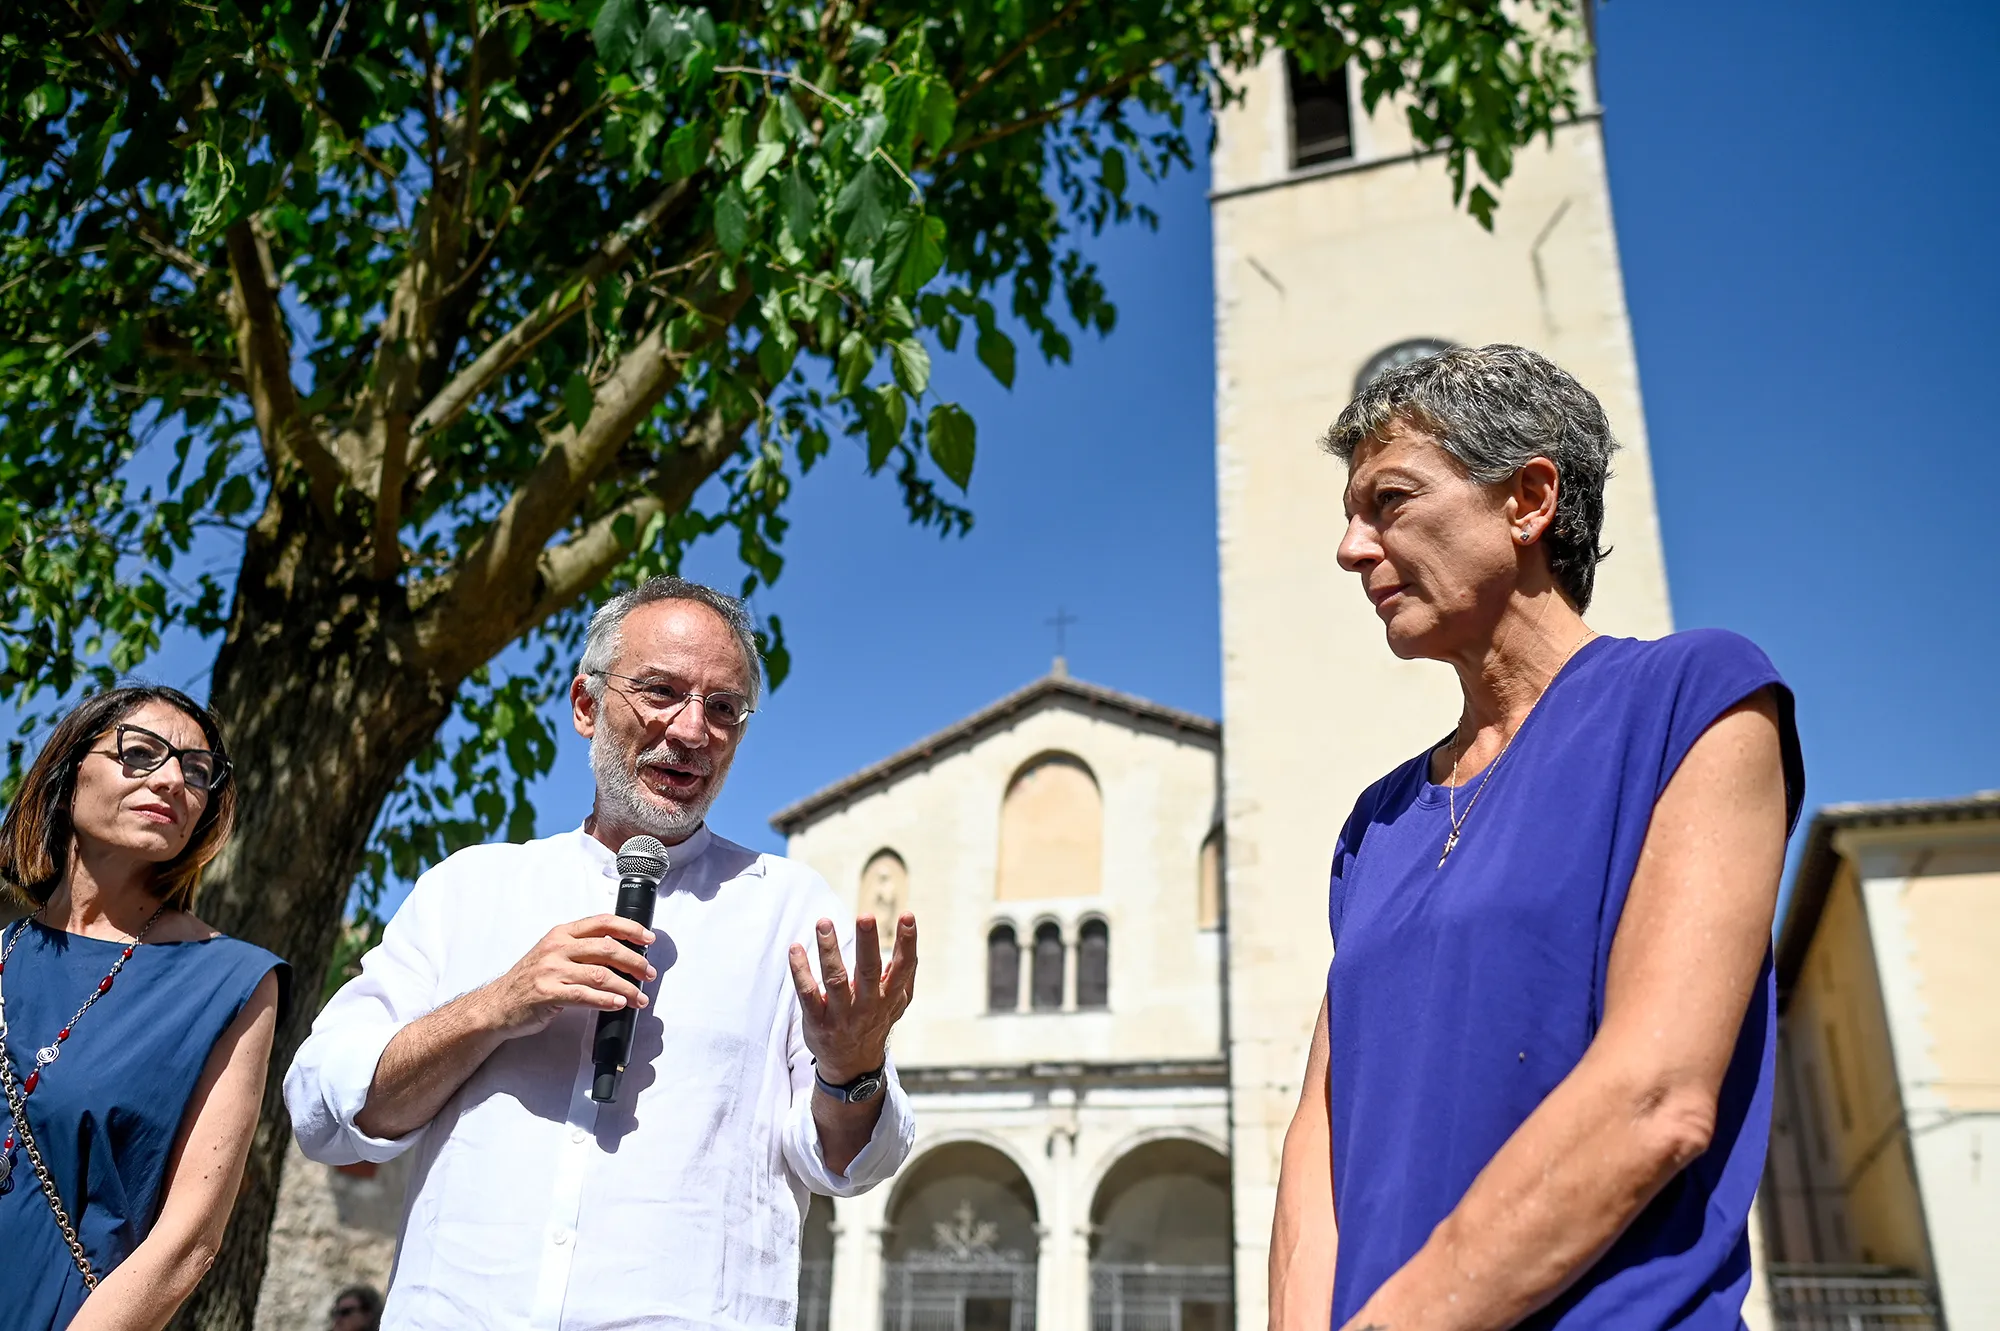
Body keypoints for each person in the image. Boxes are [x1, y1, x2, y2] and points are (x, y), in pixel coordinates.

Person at [1268, 346, 1804, 1331]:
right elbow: (1320, 1138)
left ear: (1527, 499)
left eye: (1386, 500)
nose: (1349, 548)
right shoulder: (1371, 823)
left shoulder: (1695, 701)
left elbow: (1653, 1097)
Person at [286, 576, 920, 1329]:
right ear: (587, 706)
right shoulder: (470, 888)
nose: (691, 730)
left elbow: (852, 1163)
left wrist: (853, 1069)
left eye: (723, 708)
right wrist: (495, 1006)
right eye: (660, 691)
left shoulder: (789, 908)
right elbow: (322, 1110)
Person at [0, 686, 288, 1330]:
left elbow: (189, 1242)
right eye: (141, 753)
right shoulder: (3, 951)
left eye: (195, 772)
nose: (170, 781)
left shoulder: (232, 982)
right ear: (70, 769)